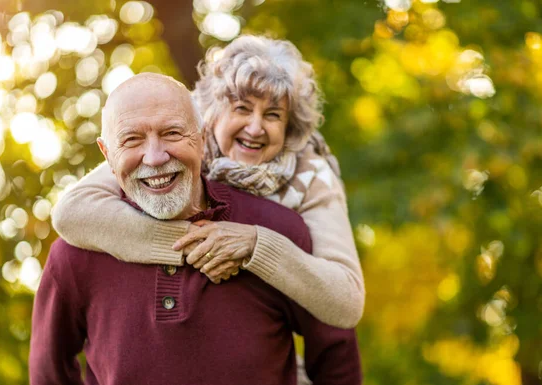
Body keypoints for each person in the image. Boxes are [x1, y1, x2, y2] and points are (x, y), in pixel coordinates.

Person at [29, 74, 361, 385]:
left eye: (172, 133)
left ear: (203, 140)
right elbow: (48, 373)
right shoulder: (75, 254)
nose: (155, 157)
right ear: (107, 154)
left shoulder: (278, 227)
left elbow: (337, 360)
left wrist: (256, 247)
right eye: (131, 140)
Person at [52, 35, 365, 329]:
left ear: (290, 127)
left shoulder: (311, 176)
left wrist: (255, 245)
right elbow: (72, 212)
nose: (255, 128)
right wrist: (195, 243)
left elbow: (346, 300)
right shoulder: (175, 144)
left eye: (272, 115)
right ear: (210, 114)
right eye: (242, 108)